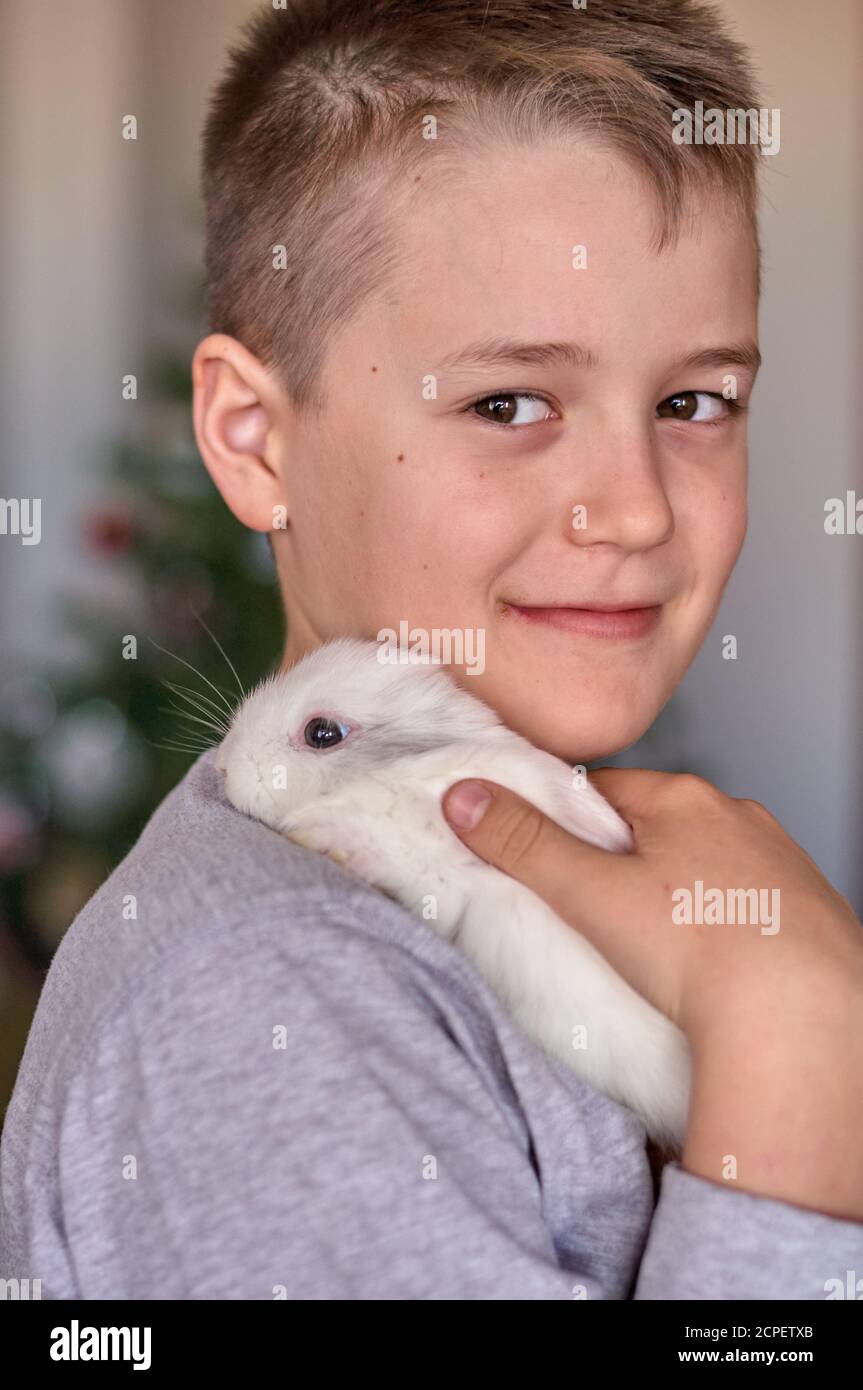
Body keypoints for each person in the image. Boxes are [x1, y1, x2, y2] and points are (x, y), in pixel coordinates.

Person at [1, 0, 861, 1299]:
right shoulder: (264, 1002)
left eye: (694, 402)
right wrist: (795, 1069)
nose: (634, 507)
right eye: (508, 401)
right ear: (251, 437)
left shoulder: (612, 881)